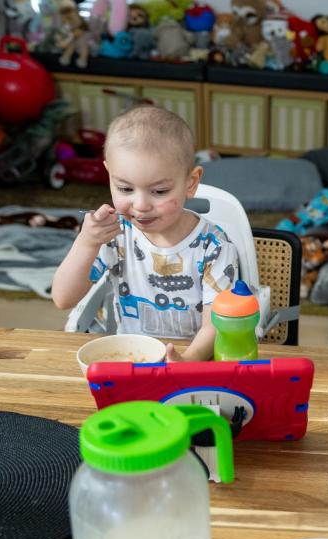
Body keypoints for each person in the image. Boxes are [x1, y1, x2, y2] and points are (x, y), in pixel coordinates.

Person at [52, 105, 240, 362]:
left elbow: (216, 324)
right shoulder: (116, 234)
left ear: (191, 182)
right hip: (132, 358)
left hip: (196, 361)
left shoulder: (213, 246)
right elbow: (63, 298)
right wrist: (86, 243)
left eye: (159, 191)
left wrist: (187, 361)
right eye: (125, 188)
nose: (140, 205)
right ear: (109, 176)